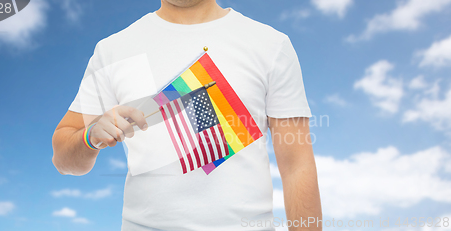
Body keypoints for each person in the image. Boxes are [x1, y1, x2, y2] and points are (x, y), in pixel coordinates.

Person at [52, 0, 322, 230]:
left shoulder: (271, 45)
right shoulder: (112, 50)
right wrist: (90, 137)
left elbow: (297, 166)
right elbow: (63, 160)